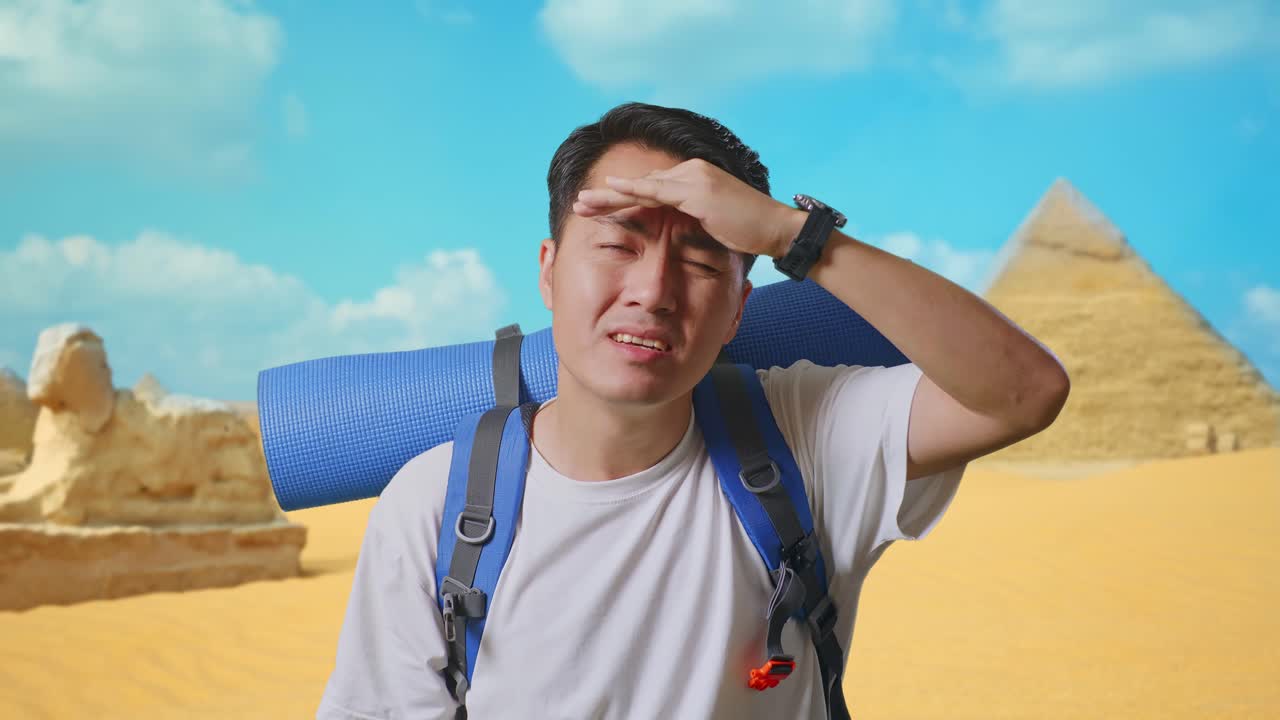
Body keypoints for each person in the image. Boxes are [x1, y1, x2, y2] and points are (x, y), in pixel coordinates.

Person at [316, 102, 1070, 719]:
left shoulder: (800, 439)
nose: (655, 290)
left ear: (741, 308)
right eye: (619, 244)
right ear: (548, 273)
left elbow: (1025, 392)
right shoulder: (435, 504)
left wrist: (791, 235)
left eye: (704, 260)